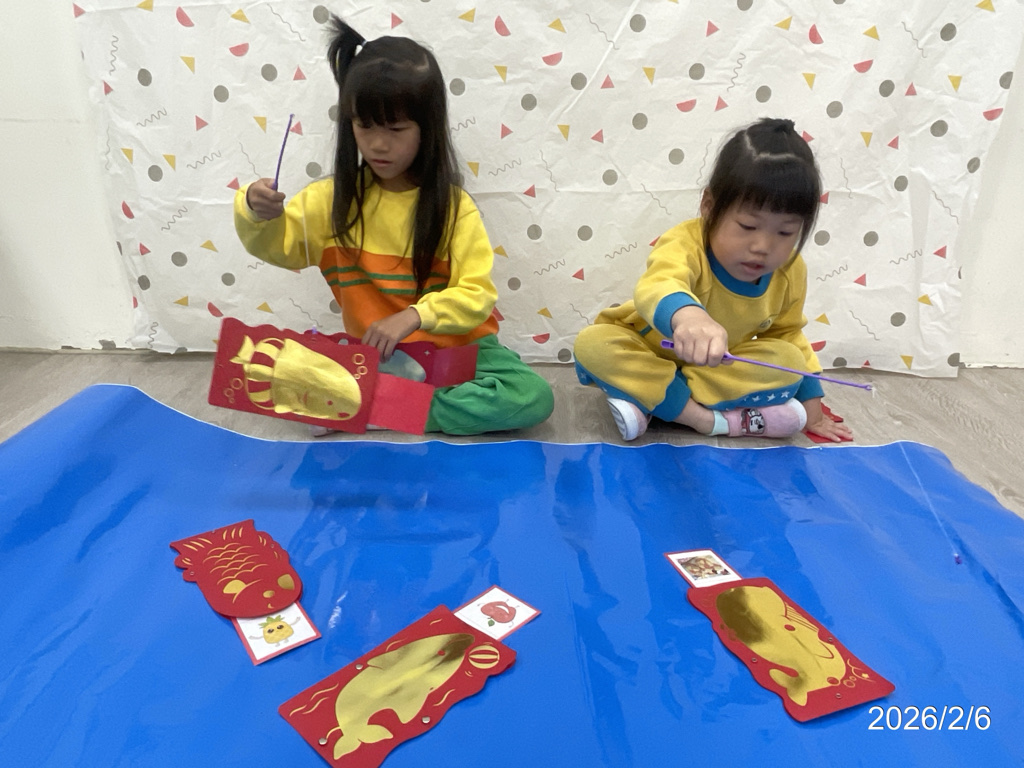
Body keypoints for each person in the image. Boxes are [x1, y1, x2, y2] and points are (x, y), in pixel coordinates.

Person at [234, 16, 553, 435]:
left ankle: (374, 405)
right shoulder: (329, 201)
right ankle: (380, 396)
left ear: (427, 128)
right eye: (364, 125)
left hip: (461, 347)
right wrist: (255, 211)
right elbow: (281, 248)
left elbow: (477, 296)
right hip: (381, 356)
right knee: (285, 362)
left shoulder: (454, 209)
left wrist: (415, 316)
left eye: (396, 128)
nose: (378, 144)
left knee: (532, 396)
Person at [573, 117, 852, 443]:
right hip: (648, 351)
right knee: (593, 343)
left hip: (710, 370)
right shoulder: (686, 242)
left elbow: (787, 334)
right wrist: (688, 316)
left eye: (785, 232)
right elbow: (658, 283)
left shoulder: (790, 270)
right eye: (748, 226)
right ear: (709, 205)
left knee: (788, 361)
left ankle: (653, 400)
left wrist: (813, 409)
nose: (762, 246)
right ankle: (708, 420)